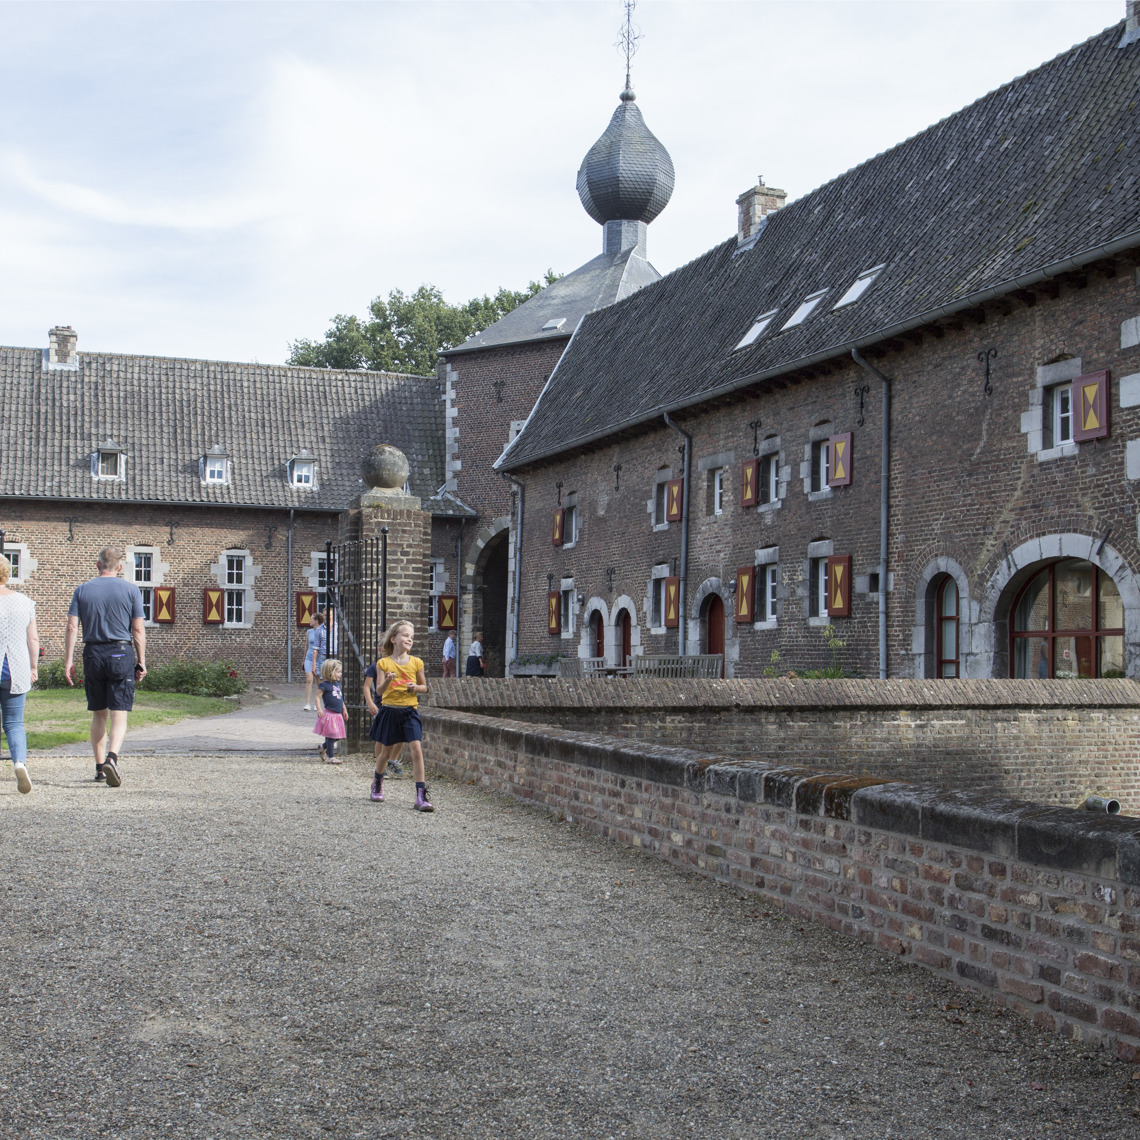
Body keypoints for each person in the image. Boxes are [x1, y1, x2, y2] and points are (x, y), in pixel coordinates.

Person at [64, 546, 146, 786]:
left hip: (93, 653)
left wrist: (68, 661)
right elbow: (138, 629)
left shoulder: (82, 590)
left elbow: (71, 627)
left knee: (98, 713)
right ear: (120, 567)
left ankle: (100, 769)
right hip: (121, 652)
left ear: (98, 565)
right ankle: (113, 758)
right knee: (119, 713)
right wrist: (142, 661)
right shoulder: (131, 590)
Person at [366, 620, 432, 811]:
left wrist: (415, 688)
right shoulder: (383, 663)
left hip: (409, 711)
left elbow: (424, 687)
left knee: (417, 750)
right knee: (385, 753)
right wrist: (387, 681)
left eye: (412, 637)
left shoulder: (416, 662)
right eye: (405, 635)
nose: (409, 639)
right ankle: (377, 783)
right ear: (393, 639)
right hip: (389, 711)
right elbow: (378, 691)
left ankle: (421, 795)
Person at [0, 554, 39, 794]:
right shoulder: (25, 602)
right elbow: (32, 638)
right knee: (14, 723)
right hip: (16, 669)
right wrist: (33, 667)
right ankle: (19, 763)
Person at [314, 658, 346, 764]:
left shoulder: (337, 685)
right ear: (330, 672)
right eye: (338, 672)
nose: (340, 674)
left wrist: (344, 709)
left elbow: (340, 699)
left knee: (338, 736)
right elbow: (317, 697)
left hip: (338, 714)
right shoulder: (324, 685)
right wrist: (319, 709)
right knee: (332, 736)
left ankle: (323, 747)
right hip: (329, 715)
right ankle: (331, 757)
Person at [303, 612, 327, 711]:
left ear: (316, 621)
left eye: (311, 619)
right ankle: (307, 703)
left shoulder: (322, 631)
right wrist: (303, 659)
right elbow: (306, 646)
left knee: (318, 681)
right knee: (309, 680)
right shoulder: (309, 632)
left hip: (318, 659)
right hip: (309, 658)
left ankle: (317, 703)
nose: (309, 621)